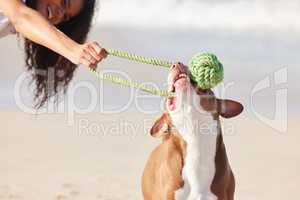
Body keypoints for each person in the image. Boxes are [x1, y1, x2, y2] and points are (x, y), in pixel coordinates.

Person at [0, 0, 107, 107]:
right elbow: (21, 16)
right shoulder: (17, 16)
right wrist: (72, 49)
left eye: (65, 16)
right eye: (64, 2)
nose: (59, 14)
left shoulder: (10, 23)